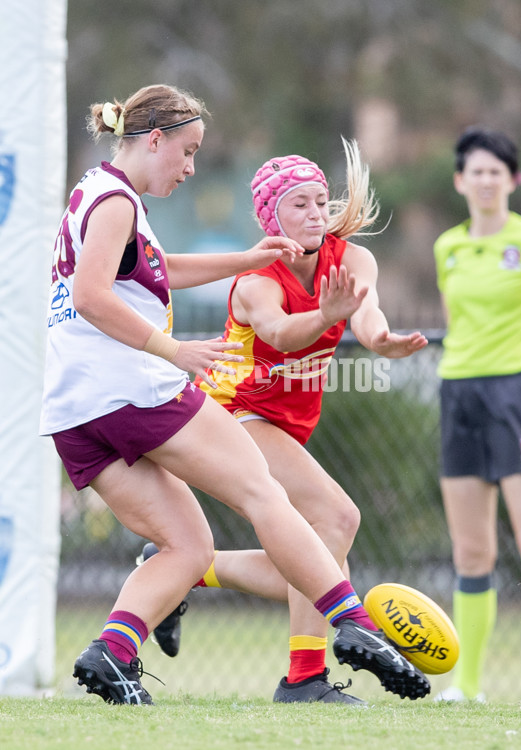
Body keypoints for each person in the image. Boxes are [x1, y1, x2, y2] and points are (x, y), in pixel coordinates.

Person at [40, 84, 431, 706]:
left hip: (74, 409)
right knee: (265, 494)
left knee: (188, 547)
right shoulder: (118, 202)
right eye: (188, 151)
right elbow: (92, 297)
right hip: (134, 391)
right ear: (155, 139)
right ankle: (353, 628)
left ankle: (111, 654)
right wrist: (172, 351)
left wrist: (245, 257)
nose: (192, 167)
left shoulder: (94, 191)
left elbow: (155, 268)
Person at [137, 137, 429, 704]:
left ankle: (181, 570)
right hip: (230, 414)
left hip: (281, 422)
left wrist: (382, 342)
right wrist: (326, 313)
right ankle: (303, 680)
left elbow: (367, 316)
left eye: (321, 200)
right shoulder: (257, 280)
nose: (317, 212)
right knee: (338, 519)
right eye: (300, 203)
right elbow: (279, 334)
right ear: (270, 214)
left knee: (315, 561)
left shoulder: (352, 260)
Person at [432, 127, 521, 705]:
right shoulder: (447, 247)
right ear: (460, 181)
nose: (487, 180)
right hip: (457, 393)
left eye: (498, 171)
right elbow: (456, 322)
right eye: (477, 171)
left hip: (518, 397)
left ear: (513, 180)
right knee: (471, 552)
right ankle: (466, 687)